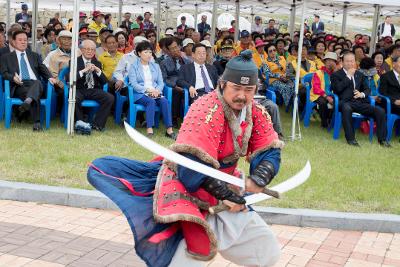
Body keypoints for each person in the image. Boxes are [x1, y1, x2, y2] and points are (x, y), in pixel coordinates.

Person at [87, 49, 282, 267]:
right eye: (236, 88)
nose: (242, 96)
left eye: (248, 90)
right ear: (222, 84)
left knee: (266, 252)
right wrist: (225, 194)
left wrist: (261, 176)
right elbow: (192, 166)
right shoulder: (205, 108)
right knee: (185, 259)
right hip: (187, 185)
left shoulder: (255, 111)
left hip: (226, 185)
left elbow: (269, 150)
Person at [0, 30, 57, 131]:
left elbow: (42, 68)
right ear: (13, 42)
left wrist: (50, 77)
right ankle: (36, 122)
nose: (23, 42)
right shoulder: (6, 58)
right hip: (19, 85)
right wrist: (12, 78)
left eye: (25, 40)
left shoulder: (34, 55)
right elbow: (4, 73)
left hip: (34, 83)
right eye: (20, 40)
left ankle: (27, 103)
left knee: (37, 83)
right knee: (34, 94)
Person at [330, 51, 389, 147]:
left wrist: (362, 94)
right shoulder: (336, 75)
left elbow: (367, 89)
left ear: (355, 62)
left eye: (352, 61)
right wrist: (348, 76)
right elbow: (337, 89)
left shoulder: (359, 74)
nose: (350, 63)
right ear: (342, 62)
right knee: (347, 108)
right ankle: (351, 139)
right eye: (347, 61)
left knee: (380, 111)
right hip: (344, 102)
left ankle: (382, 140)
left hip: (358, 102)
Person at [128, 41, 176, 139]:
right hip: (141, 93)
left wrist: (157, 91)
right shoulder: (133, 66)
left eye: (150, 52)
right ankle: (149, 129)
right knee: (150, 102)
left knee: (165, 102)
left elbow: (161, 82)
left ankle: (169, 130)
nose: (149, 55)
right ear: (139, 53)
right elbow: (134, 84)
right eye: (146, 52)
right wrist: (148, 90)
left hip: (155, 92)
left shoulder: (155, 66)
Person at [75, 39, 114, 132]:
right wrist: (84, 70)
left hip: (93, 89)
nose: (90, 51)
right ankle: (80, 123)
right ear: (82, 50)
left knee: (110, 98)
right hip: (79, 89)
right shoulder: (74, 61)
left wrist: (98, 70)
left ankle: (97, 124)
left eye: (92, 49)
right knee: (74, 97)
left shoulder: (97, 63)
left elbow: (105, 82)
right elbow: (70, 78)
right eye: (87, 49)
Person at [160, 38, 192, 126]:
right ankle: (174, 118)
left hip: (185, 84)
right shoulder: (164, 63)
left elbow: (191, 76)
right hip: (172, 86)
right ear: (168, 51)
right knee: (176, 92)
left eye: (176, 47)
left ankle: (190, 117)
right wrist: (174, 86)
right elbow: (164, 79)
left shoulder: (187, 62)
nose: (175, 50)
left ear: (180, 47)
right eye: (172, 48)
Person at [310, 52, 337, 128]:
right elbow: (316, 88)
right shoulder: (318, 73)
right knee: (322, 102)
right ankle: (324, 123)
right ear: (324, 62)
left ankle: (331, 120)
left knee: (339, 102)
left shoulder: (336, 74)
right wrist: (327, 97)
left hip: (332, 94)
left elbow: (338, 86)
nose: (329, 63)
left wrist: (335, 71)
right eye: (328, 60)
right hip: (318, 95)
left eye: (332, 61)